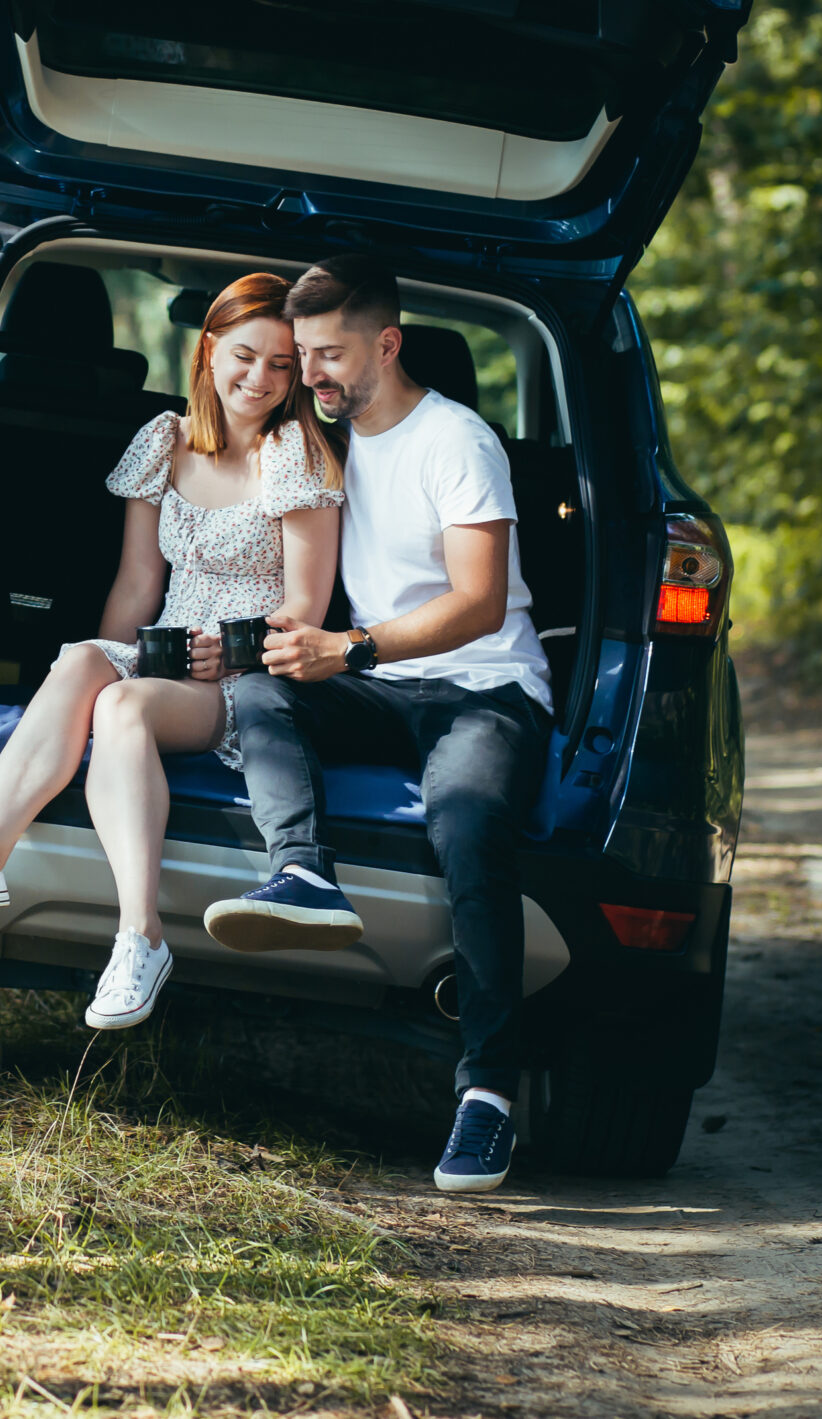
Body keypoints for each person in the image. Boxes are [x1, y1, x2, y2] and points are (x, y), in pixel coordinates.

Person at [0, 272, 345, 1030]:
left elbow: (307, 606)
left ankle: (141, 936)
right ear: (207, 351)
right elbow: (137, 588)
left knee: (124, 705)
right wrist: (101, 660)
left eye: (280, 364)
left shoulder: (295, 451)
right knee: (82, 663)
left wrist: (229, 650)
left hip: (244, 675)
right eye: (244, 355)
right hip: (161, 654)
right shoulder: (163, 440)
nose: (258, 378)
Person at [201, 254, 555, 1194]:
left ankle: (487, 1096)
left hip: (483, 689)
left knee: (471, 824)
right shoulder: (325, 445)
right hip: (380, 679)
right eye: (302, 354)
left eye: (328, 354)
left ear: (386, 346)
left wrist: (349, 649)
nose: (309, 373)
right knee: (262, 683)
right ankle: (303, 870)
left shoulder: (458, 442)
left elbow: (480, 605)